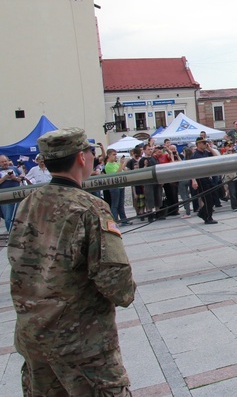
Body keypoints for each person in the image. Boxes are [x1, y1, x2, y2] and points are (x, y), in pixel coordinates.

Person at [7, 127, 136, 395]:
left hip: (34, 336)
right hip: (81, 343)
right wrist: (128, 292)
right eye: (91, 152)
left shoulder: (28, 203)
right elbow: (115, 279)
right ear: (81, 157)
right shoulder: (89, 207)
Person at [191, 136, 220, 224]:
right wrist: (193, 180)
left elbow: (217, 156)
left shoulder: (206, 153)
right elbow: (191, 169)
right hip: (200, 179)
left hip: (208, 178)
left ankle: (202, 213)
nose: (205, 144)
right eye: (203, 143)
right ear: (198, 144)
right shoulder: (195, 155)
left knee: (215, 198)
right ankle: (208, 217)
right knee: (208, 200)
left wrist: (209, 148)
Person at [103, 149, 130, 224]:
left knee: (121, 205)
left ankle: (124, 220)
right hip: (114, 187)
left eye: (116, 155)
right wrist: (121, 164)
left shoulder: (116, 163)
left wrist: (124, 163)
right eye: (113, 155)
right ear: (109, 156)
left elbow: (123, 170)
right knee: (115, 205)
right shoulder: (108, 166)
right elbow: (116, 175)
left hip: (121, 186)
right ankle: (115, 220)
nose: (115, 156)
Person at [0, 155, 23, 232]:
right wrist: (5, 177)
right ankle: (10, 234)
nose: (4, 163)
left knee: (19, 216)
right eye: (2, 162)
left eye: (5, 161)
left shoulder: (14, 168)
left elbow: (22, 179)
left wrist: (14, 178)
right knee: (8, 217)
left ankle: (19, 233)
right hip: (5, 197)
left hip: (17, 195)